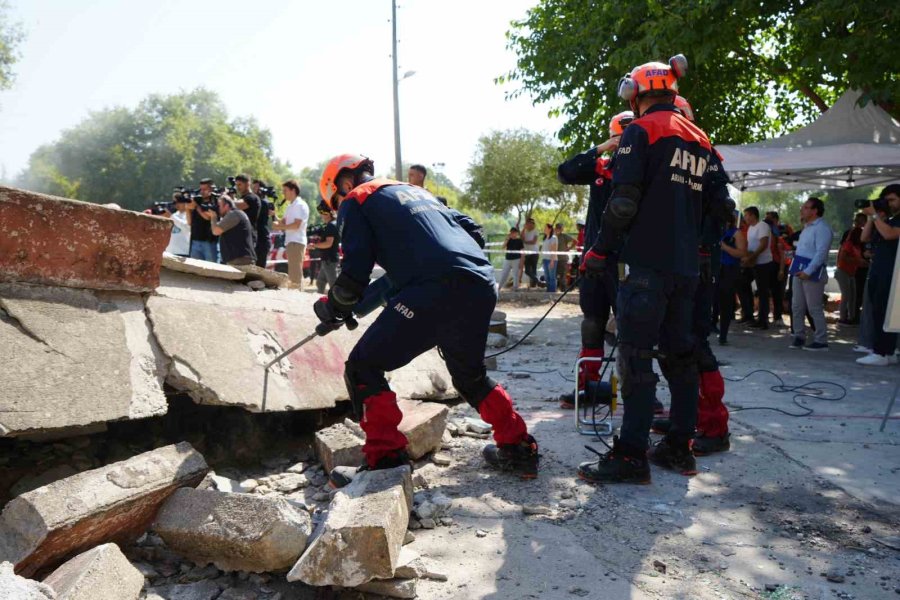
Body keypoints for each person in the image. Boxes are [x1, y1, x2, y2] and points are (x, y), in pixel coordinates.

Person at [314, 154, 538, 477]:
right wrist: (415, 274)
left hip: (433, 288)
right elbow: (471, 231)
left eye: (335, 202)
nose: (339, 209)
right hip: (479, 282)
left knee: (363, 366)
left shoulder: (356, 199)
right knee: (470, 376)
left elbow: (352, 277)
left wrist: (333, 307)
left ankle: (385, 462)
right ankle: (518, 448)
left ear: (344, 183)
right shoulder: (416, 192)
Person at [577, 54, 730, 483]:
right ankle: (680, 448)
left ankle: (629, 457)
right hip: (688, 269)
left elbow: (623, 202)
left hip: (645, 265)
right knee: (680, 356)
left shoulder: (640, 131)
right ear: (673, 89)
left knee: (636, 357)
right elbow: (723, 207)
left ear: (638, 94)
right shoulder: (700, 138)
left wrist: (599, 251)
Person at [556, 111, 633, 408]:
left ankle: (636, 392)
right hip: (594, 260)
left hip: (626, 261)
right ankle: (587, 386)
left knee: (631, 328)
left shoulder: (644, 168)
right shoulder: (600, 168)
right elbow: (565, 172)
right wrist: (601, 148)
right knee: (592, 323)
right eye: (620, 135)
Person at [856, 185, 900, 366]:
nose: (888, 204)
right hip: (878, 270)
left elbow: (890, 235)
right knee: (878, 311)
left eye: (892, 200)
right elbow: (864, 238)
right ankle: (887, 351)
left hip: (892, 273)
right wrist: (871, 217)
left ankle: (881, 352)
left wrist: (875, 215)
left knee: (884, 311)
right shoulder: (887, 220)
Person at [788, 197, 834, 351]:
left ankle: (821, 340)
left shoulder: (822, 228)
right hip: (799, 270)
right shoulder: (807, 227)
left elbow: (821, 253)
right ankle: (799, 336)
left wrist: (808, 271)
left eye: (806, 207)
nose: (802, 209)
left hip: (812, 273)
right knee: (796, 305)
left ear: (815, 211)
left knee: (814, 307)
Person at [272, 180, 309, 290]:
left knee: (295, 271)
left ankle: (296, 294)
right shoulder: (290, 206)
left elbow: (296, 225)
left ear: (293, 190)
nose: (283, 193)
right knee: (294, 270)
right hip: (291, 241)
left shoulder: (300, 205)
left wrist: (279, 227)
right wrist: (274, 217)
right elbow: (283, 222)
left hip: (297, 241)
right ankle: (296, 292)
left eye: (285, 190)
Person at [717, 212, 747, 345]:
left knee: (726, 302)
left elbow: (742, 253)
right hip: (716, 268)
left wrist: (726, 248)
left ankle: (723, 335)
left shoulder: (736, 233)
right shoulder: (715, 231)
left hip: (729, 270)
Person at [742, 206, 774, 329]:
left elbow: (764, 244)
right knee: (742, 283)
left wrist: (752, 256)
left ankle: (763, 320)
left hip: (764, 264)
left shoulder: (762, 226)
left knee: (763, 292)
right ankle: (748, 314)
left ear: (753, 215)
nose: (745, 218)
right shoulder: (750, 228)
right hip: (752, 263)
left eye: (746, 215)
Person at [205, 195, 255, 266]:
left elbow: (216, 231)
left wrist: (213, 217)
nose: (217, 209)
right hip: (239, 258)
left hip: (240, 259)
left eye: (219, 206)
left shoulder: (233, 214)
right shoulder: (236, 214)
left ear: (226, 206)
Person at [836, 214, 866, 324]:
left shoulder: (857, 247)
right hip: (844, 271)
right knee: (847, 295)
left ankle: (851, 317)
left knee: (853, 295)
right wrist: (858, 261)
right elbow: (843, 257)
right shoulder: (849, 244)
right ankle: (842, 318)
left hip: (851, 272)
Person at [188, 178, 220, 263]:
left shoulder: (215, 201)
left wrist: (197, 207)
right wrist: (187, 208)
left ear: (211, 189)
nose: (202, 192)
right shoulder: (197, 200)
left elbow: (208, 217)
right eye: (201, 189)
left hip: (209, 242)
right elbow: (189, 222)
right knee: (195, 270)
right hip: (195, 240)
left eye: (205, 189)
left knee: (211, 269)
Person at [311, 201, 340, 294]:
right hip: (328, 259)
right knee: (320, 282)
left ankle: (338, 303)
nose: (321, 216)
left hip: (329, 260)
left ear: (326, 213)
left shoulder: (331, 226)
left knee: (334, 284)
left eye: (321, 213)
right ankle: (319, 297)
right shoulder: (333, 224)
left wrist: (314, 245)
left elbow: (328, 243)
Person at [764, 211, 787, 327]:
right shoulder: (764, 236)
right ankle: (765, 315)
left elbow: (782, 255)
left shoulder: (778, 236)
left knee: (777, 293)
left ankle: (777, 316)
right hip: (766, 265)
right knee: (766, 291)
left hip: (776, 266)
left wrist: (781, 270)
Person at [234, 174, 261, 248]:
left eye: (240, 184)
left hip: (248, 236)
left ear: (247, 184)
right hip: (240, 236)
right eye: (236, 185)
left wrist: (225, 199)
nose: (237, 187)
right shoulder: (243, 197)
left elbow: (236, 205)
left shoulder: (252, 197)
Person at [252, 179, 272, 268]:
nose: (254, 190)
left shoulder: (264, 202)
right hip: (255, 237)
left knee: (259, 267)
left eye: (256, 187)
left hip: (262, 238)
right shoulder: (255, 201)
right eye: (253, 187)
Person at [520, 218, 540, 287]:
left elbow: (533, 241)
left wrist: (525, 242)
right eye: (528, 224)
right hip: (527, 253)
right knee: (527, 270)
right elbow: (521, 238)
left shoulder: (536, 231)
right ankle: (538, 281)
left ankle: (533, 285)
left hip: (534, 253)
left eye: (531, 223)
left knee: (534, 270)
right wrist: (523, 228)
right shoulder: (525, 231)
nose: (529, 225)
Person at [555, 223, 574, 290]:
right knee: (555, 274)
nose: (559, 229)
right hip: (554, 259)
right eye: (558, 228)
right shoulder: (553, 236)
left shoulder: (564, 236)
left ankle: (564, 289)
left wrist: (569, 248)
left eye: (560, 228)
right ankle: (556, 288)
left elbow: (575, 241)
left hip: (563, 259)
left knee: (563, 275)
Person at [541, 223, 558, 292]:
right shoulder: (545, 238)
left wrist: (552, 261)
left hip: (551, 260)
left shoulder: (553, 238)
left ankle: (552, 292)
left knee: (552, 277)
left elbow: (554, 250)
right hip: (545, 259)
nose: (544, 229)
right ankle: (548, 291)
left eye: (545, 228)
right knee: (547, 277)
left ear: (550, 229)